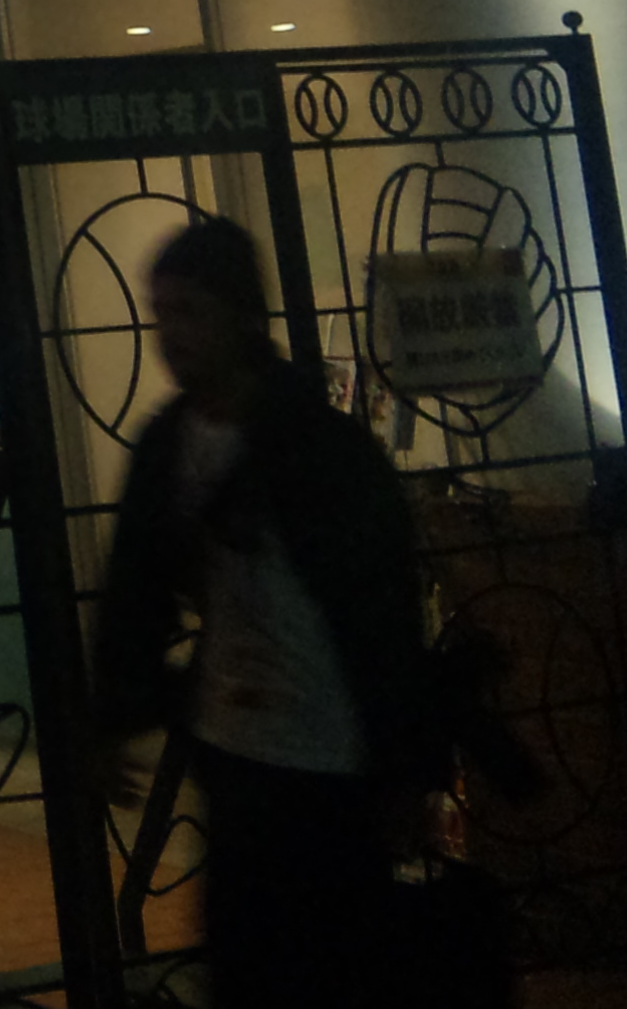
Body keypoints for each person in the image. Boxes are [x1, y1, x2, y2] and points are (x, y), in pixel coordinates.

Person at [91, 217, 442, 1009]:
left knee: (322, 967)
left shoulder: (318, 450)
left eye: (189, 311)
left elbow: (381, 613)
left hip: (328, 752)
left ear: (241, 316)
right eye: (160, 314)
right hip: (239, 747)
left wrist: (404, 766)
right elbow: (135, 589)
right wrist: (113, 711)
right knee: (258, 964)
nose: (170, 335)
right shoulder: (176, 443)